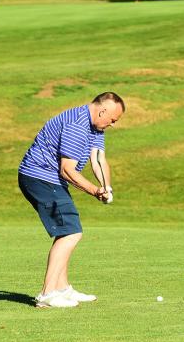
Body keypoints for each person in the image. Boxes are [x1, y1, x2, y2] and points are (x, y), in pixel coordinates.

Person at [18, 92, 125, 308]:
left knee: (68, 230)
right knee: (71, 231)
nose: (112, 125)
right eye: (112, 120)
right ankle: (48, 294)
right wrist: (95, 191)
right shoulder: (77, 125)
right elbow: (67, 170)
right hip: (39, 177)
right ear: (102, 110)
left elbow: (97, 159)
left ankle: (63, 289)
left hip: (49, 179)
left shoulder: (95, 126)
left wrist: (106, 187)